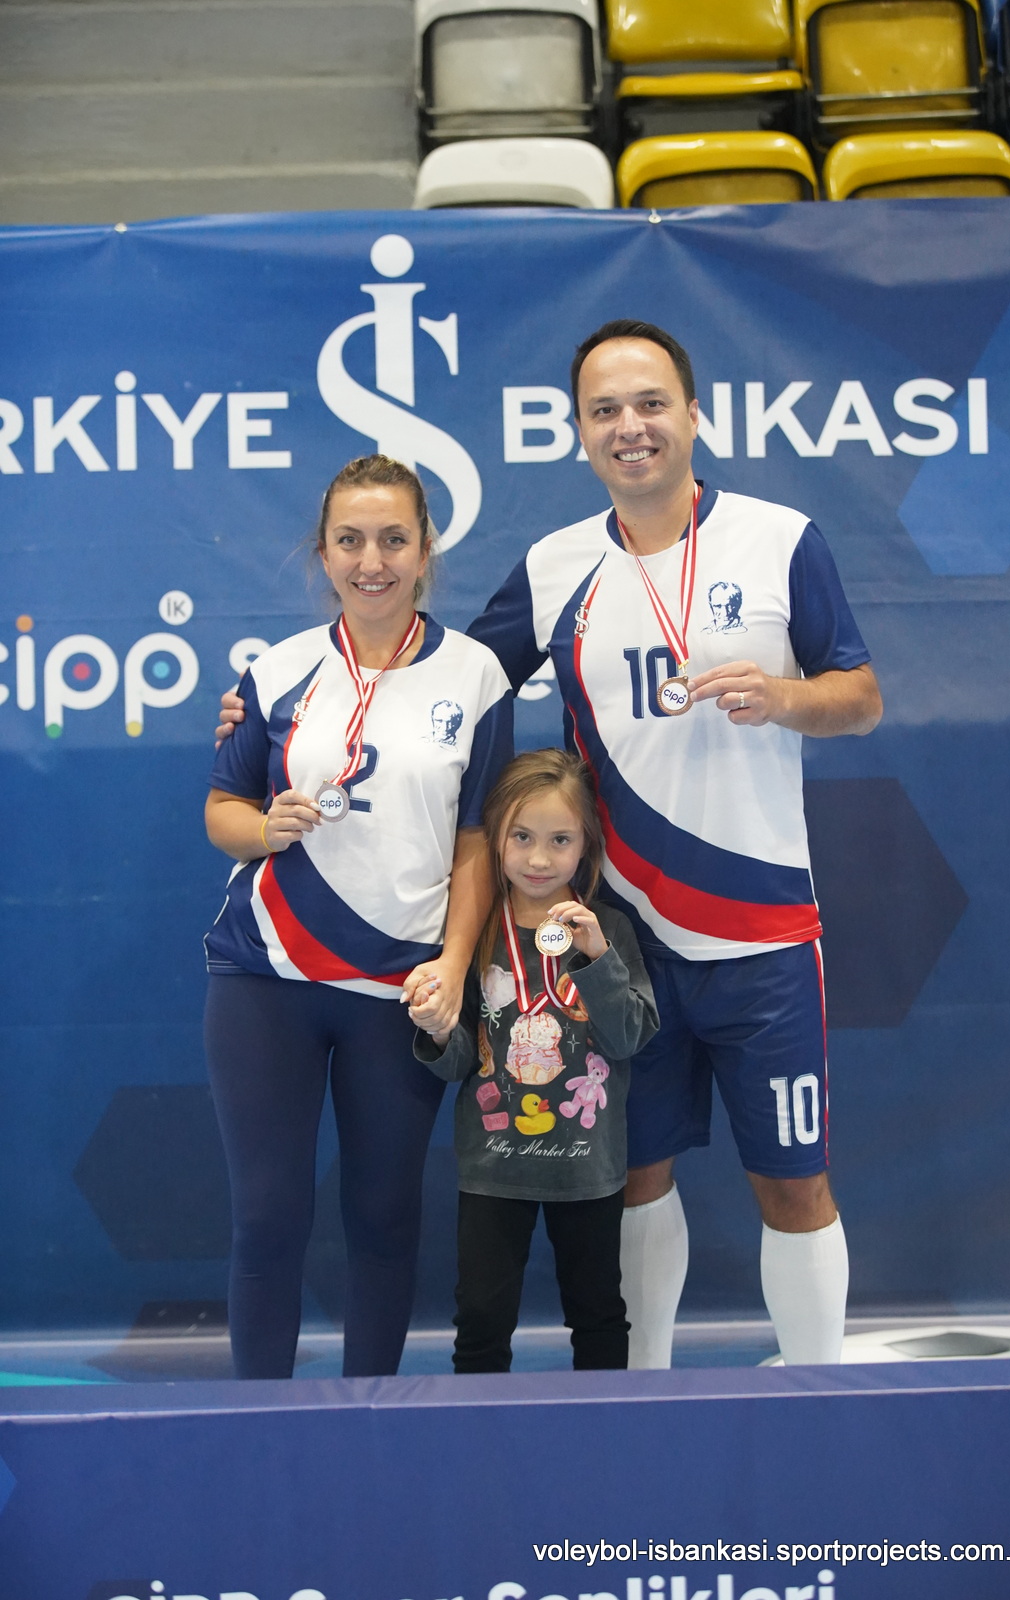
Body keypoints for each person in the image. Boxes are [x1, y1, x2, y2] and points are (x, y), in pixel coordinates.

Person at [217, 320, 883, 1370]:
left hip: (760, 936)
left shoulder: (780, 539)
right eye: (604, 410)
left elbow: (861, 695)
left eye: (649, 403)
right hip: (617, 940)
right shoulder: (555, 566)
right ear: (578, 431)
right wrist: (263, 713)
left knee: (793, 1181)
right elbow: (431, 675)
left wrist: (786, 695)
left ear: (692, 413)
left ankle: (822, 1400)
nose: (630, 427)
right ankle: (642, 1399)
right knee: (634, 1178)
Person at [203, 454, 512, 1379]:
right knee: (268, 1216)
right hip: (267, 978)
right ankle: (259, 1425)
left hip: (400, 987)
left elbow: (476, 839)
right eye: (349, 540)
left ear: (424, 550)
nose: (370, 561)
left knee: (383, 1216)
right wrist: (265, 827)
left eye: (391, 540)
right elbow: (222, 811)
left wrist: (453, 964)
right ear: (323, 552)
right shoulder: (275, 672)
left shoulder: (476, 675)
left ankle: (370, 1420)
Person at [411, 749, 658, 1373]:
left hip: (587, 1169)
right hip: (494, 1169)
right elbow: (459, 1063)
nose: (539, 858)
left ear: (587, 844)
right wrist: (436, 1030)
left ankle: (604, 1428)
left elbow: (628, 1037)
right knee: (480, 1322)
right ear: (495, 838)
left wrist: (598, 959)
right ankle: (480, 1431)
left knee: (598, 1315)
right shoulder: (473, 933)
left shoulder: (608, 929)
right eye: (521, 837)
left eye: (559, 840)